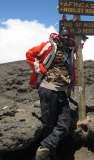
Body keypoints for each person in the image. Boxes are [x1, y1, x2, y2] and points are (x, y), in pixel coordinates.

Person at [26, 28, 73, 160]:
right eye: (63, 35)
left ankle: (46, 146)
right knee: (49, 123)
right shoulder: (50, 45)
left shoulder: (68, 48)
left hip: (60, 90)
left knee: (65, 120)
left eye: (67, 36)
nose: (65, 38)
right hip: (48, 88)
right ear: (59, 35)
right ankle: (49, 155)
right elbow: (30, 53)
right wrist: (40, 68)